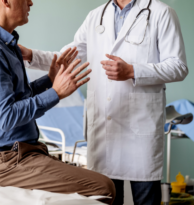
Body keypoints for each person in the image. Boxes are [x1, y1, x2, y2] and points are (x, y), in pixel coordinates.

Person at [19, 0, 188, 204]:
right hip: (105, 130)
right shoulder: (96, 16)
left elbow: (178, 66)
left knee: (146, 200)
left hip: (140, 130)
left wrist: (132, 71)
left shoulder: (162, 13)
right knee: (106, 198)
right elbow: (68, 57)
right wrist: (33, 56)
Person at [0, 0, 116, 203]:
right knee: (103, 187)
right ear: (6, 1)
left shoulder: (7, 45)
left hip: (22, 153)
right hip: (5, 161)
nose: (31, 2)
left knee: (100, 183)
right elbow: (6, 118)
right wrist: (55, 93)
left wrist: (50, 81)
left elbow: (17, 98)